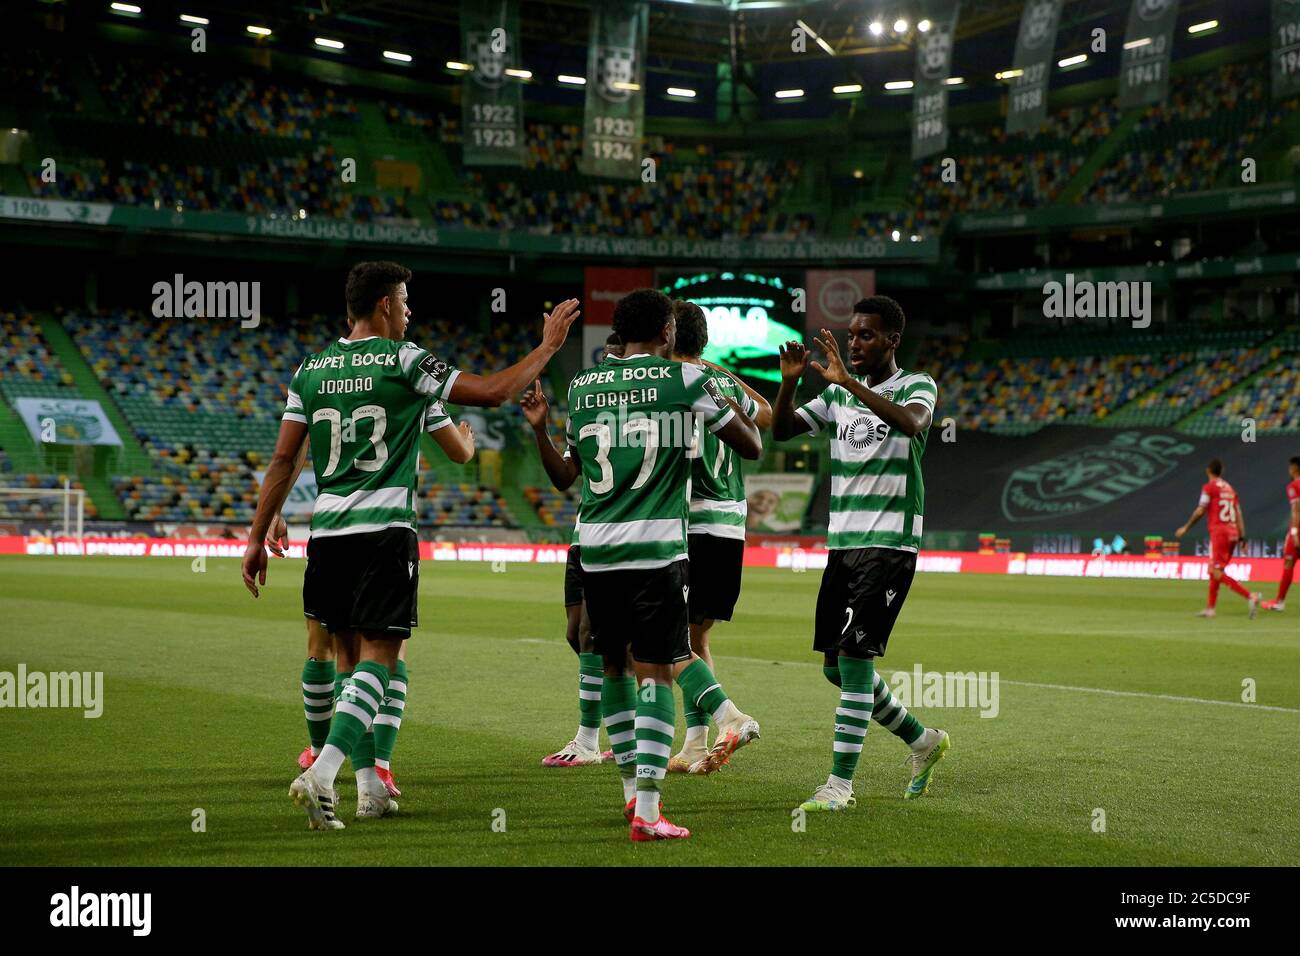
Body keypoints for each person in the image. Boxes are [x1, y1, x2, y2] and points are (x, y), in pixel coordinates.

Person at [242, 260, 579, 830]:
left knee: (347, 658)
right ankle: (324, 772)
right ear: (383, 307)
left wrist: (257, 533)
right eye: (404, 302)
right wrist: (547, 348)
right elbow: (495, 392)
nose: (409, 312)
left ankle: (370, 788)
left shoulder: (311, 369)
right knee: (383, 657)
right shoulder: (406, 360)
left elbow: (283, 458)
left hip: (327, 533)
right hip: (383, 533)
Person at [566, 288, 762, 840]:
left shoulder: (583, 384)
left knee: (614, 667)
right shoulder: (686, 381)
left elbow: (571, 468)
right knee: (657, 670)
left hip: (597, 550)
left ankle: (630, 796)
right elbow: (751, 444)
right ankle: (649, 812)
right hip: (656, 549)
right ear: (669, 334)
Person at [771, 295, 950, 812]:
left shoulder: (917, 384)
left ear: (892, 340)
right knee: (836, 669)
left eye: (865, 336)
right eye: (851, 335)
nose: (854, 343)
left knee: (853, 661)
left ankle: (840, 786)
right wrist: (787, 382)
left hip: (889, 542)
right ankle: (923, 740)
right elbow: (781, 431)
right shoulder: (836, 399)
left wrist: (847, 382)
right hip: (843, 544)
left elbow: (913, 424)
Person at [665, 300, 773, 772]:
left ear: (667, 334)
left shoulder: (669, 381)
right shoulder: (720, 380)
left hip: (691, 520)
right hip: (731, 525)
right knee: (696, 634)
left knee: (660, 641)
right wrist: (718, 369)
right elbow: (766, 413)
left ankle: (730, 716)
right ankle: (694, 743)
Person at [523, 332, 623, 767]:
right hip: (585, 534)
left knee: (591, 636)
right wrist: (540, 429)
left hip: (620, 539)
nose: (609, 368)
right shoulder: (587, 409)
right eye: (605, 359)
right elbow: (565, 477)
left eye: (617, 358)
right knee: (576, 633)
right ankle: (622, 718)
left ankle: (588, 738)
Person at [1175, 458, 1261, 619]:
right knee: (1216, 570)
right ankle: (1210, 608)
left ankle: (1251, 596)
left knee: (1214, 571)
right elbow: (1238, 514)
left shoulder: (1209, 488)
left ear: (1208, 470)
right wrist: (1242, 538)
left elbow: (1201, 511)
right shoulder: (1230, 489)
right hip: (1233, 533)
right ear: (1221, 472)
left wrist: (1186, 527)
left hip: (1220, 533)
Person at [1261, 456, 1299, 612]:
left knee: (1289, 563)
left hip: (1298, 529)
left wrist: (1295, 533)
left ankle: (1279, 602)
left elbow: (1296, 511)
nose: (1288, 470)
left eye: (1290, 467)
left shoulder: (1293, 486)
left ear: (1294, 468)